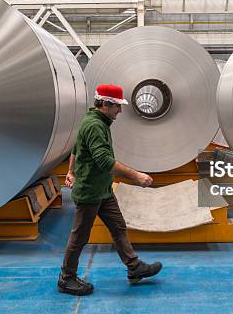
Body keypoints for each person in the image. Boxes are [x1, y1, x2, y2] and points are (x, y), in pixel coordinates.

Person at [58, 84, 163, 296]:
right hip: (90, 192)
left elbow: (76, 148)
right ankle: (66, 278)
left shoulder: (98, 121)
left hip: (103, 189)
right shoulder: (95, 126)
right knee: (79, 237)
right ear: (105, 104)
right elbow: (105, 160)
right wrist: (137, 176)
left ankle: (134, 268)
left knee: (118, 227)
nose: (120, 111)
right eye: (117, 106)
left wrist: (70, 172)